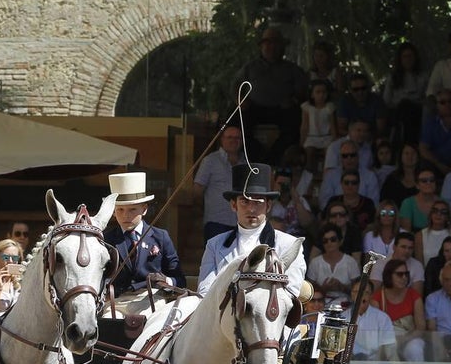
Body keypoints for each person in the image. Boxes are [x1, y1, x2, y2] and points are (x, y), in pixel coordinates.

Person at [197, 162, 305, 297]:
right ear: (233, 205)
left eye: (258, 202)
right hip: (223, 314)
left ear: (268, 206)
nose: (251, 209)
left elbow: (291, 291)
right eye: (245, 201)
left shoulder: (289, 245)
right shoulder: (215, 245)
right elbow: (205, 292)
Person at [104, 172, 185, 311]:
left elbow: (179, 279)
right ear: (113, 211)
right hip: (116, 302)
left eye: (132, 209)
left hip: (153, 299)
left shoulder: (161, 237)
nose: (125, 215)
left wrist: (165, 280)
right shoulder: (106, 240)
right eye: (120, 210)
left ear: (145, 209)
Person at [231, 26, 308, 161]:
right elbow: (235, 85)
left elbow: (304, 90)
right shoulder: (250, 67)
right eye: (267, 43)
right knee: (236, 121)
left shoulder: (292, 69)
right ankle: (257, 156)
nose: (271, 47)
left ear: (282, 47)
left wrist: (294, 100)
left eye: (275, 43)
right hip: (254, 107)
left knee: (295, 122)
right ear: (261, 46)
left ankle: (274, 157)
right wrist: (240, 100)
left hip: (282, 109)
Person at [349, 277, 395, 364]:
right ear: (351, 294)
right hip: (351, 362)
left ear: (370, 295)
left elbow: (387, 347)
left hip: (375, 361)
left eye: (366, 292)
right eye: (357, 291)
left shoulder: (382, 318)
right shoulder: (344, 317)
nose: (361, 296)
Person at [193, 125, 247, 240]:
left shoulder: (245, 163)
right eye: (230, 137)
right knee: (216, 257)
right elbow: (198, 190)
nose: (234, 141)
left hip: (240, 222)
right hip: (216, 222)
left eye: (237, 138)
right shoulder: (210, 161)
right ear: (222, 139)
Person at [371, 259, 426, 364]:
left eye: (406, 274)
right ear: (389, 275)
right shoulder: (377, 298)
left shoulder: (414, 296)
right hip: (385, 341)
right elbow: (374, 330)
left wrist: (404, 339)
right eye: (400, 274)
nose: (404, 278)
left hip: (409, 337)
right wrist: (391, 340)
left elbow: (421, 328)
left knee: (415, 349)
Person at [381, 42, 428, 145]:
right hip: (397, 112)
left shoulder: (423, 76)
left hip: (417, 111)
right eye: (405, 56)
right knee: (404, 106)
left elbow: (427, 97)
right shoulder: (393, 78)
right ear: (400, 59)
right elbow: (386, 100)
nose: (408, 59)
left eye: (410, 56)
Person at [318, 139, 380, 210]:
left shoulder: (370, 176)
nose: (349, 158)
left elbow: (374, 203)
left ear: (358, 156)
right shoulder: (330, 175)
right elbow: (324, 202)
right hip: (336, 216)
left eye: (352, 155)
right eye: (345, 156)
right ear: (340, 158)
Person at [306, 223, 358, 306]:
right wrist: (323, 289)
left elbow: (358, 290)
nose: (329, 243)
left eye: (333, 239)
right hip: (320, 305)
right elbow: (309, 291)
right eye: (325, 241)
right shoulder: (315, 263)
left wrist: (342, 287)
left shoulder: (350, 262)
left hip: (346, 306)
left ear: (340, 241)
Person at [300, 81, 335, 173]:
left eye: (324, 92)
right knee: (309, 152)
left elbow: (332, 125)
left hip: (326, 137)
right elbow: (305, 125)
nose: (321, 95)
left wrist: (334, 139)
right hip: (312, 137)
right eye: (318, 92)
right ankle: (309, 175)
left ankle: (326, 175)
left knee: (329, 153)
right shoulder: (307, 107)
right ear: (312, 94)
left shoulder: (329, 107)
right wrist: (302, 141)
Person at [335, 73, 386, 137]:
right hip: (350, 139)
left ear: (368, 88)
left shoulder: (377, 101)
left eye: (363, 88)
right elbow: (341, 129)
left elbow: (380, 130)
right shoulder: (344, 102)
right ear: (350, 90)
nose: (360, 92)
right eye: (356, 89)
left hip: (372, 138)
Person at [399, 166, 441, 233]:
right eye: (424, 181)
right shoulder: (408, 203)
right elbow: (406, 233)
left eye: (432, 180)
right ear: (417, 185)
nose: (429, 183)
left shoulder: (442, 202)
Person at [417, 200, 451, 266]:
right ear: (430, 214)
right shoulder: (420, 235)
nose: (438, 214)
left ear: (447, 216)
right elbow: (419, 264)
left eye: (443, 212)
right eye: (435, 211)